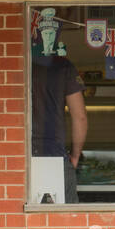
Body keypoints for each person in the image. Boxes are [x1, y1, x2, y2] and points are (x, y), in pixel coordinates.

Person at [31, 49, 88, 203]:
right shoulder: (63, 66)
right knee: (66, 220)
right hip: (55, 155)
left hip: (20, 158)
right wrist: (75, 155)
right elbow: (80, 117)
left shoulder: (17, 63)